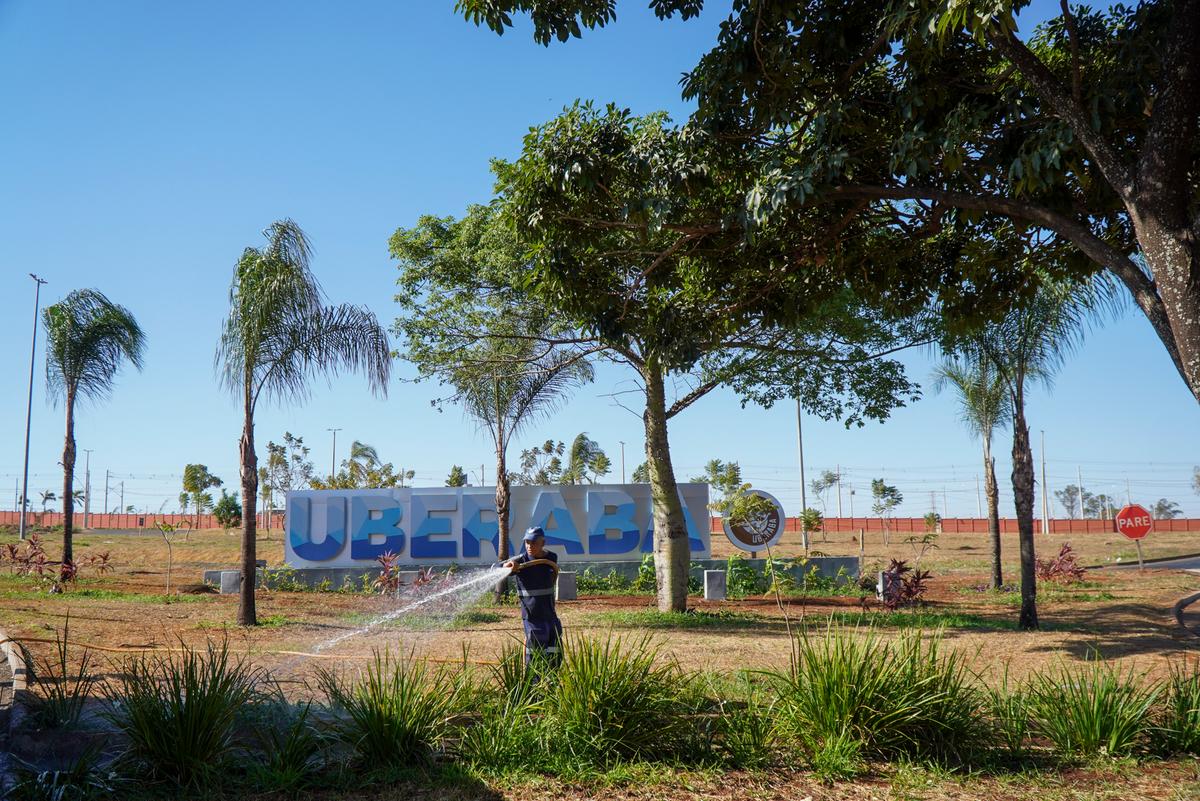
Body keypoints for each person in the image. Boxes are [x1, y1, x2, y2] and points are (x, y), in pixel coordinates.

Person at [503, 526, 562, 667]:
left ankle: (553, 678)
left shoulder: (551, 558)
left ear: (543, 543)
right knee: (536, 641)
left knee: (554, 641)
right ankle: (534, 683)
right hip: (532, 616)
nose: (529, 546)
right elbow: (499, 568)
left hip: (550, 614)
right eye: (527, 542)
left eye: (534, 542)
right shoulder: (519, 562)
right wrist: (509, 566)